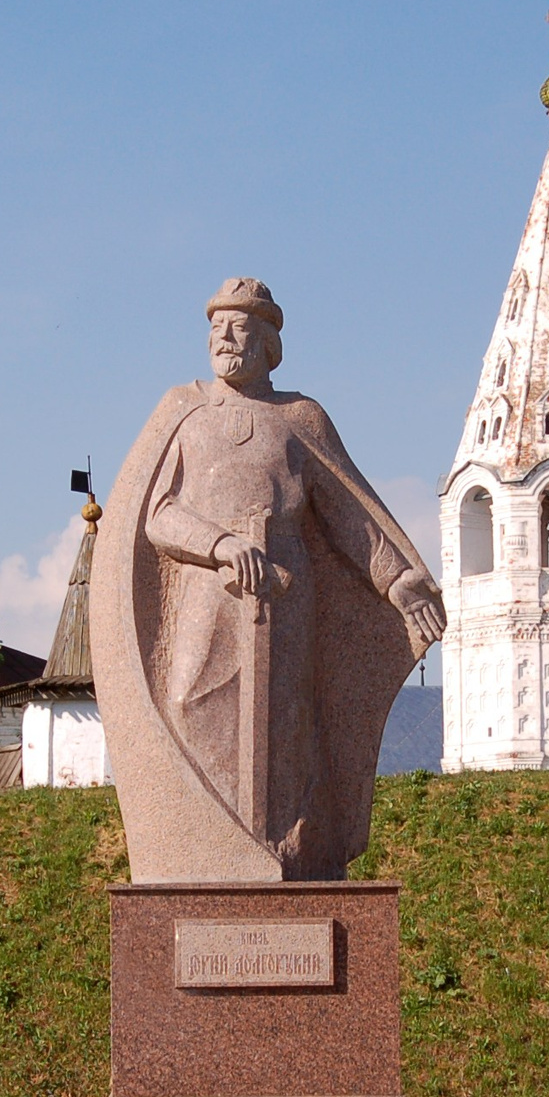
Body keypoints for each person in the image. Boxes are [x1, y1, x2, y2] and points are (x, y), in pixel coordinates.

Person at [92, 279, 444, 882]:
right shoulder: (186, 411)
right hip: (211, 583)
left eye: (240, 328)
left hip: (285, 586)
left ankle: (286, 852)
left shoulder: (299, 418)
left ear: (269, 344)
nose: (224, 339)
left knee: (287, 721)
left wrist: (398, 580)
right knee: (189, 700)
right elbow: (156, 513)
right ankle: (206, 852)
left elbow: (348, 513)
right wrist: (220, 544)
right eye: (216, 328)